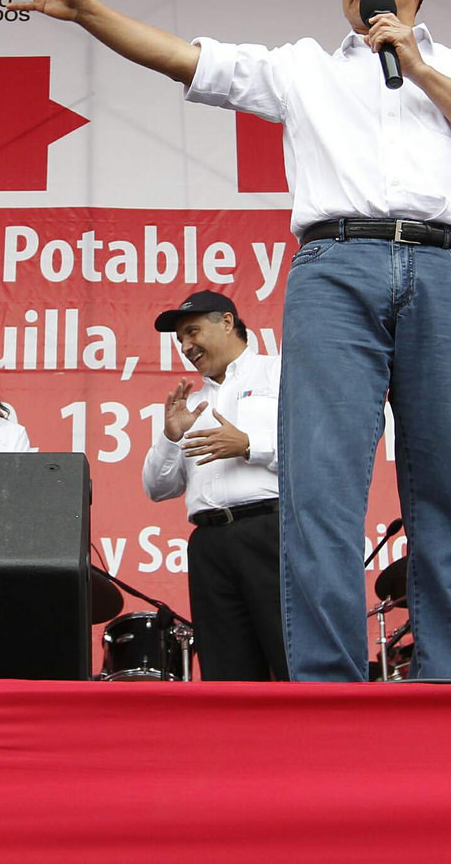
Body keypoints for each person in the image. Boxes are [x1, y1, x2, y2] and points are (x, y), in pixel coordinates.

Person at [1, 0, 451, 681]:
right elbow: (187, 58)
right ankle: (327, 685)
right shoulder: (303, 69)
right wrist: (88, 11)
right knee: (320, 489)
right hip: (336, 264)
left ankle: (447, 678)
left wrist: (416, 66)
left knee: (449, 488)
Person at [141, 290, 285, 680]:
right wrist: (171, 437)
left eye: (192, 332)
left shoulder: (279, 372)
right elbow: (156, 487)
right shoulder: (192, 405)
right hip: (209, 544)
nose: (187, 346)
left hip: (272, 533)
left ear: (226, 322)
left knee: (292, 658)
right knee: (226, 671)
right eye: (180, 341)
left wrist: (251, 446)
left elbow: (322, 448)